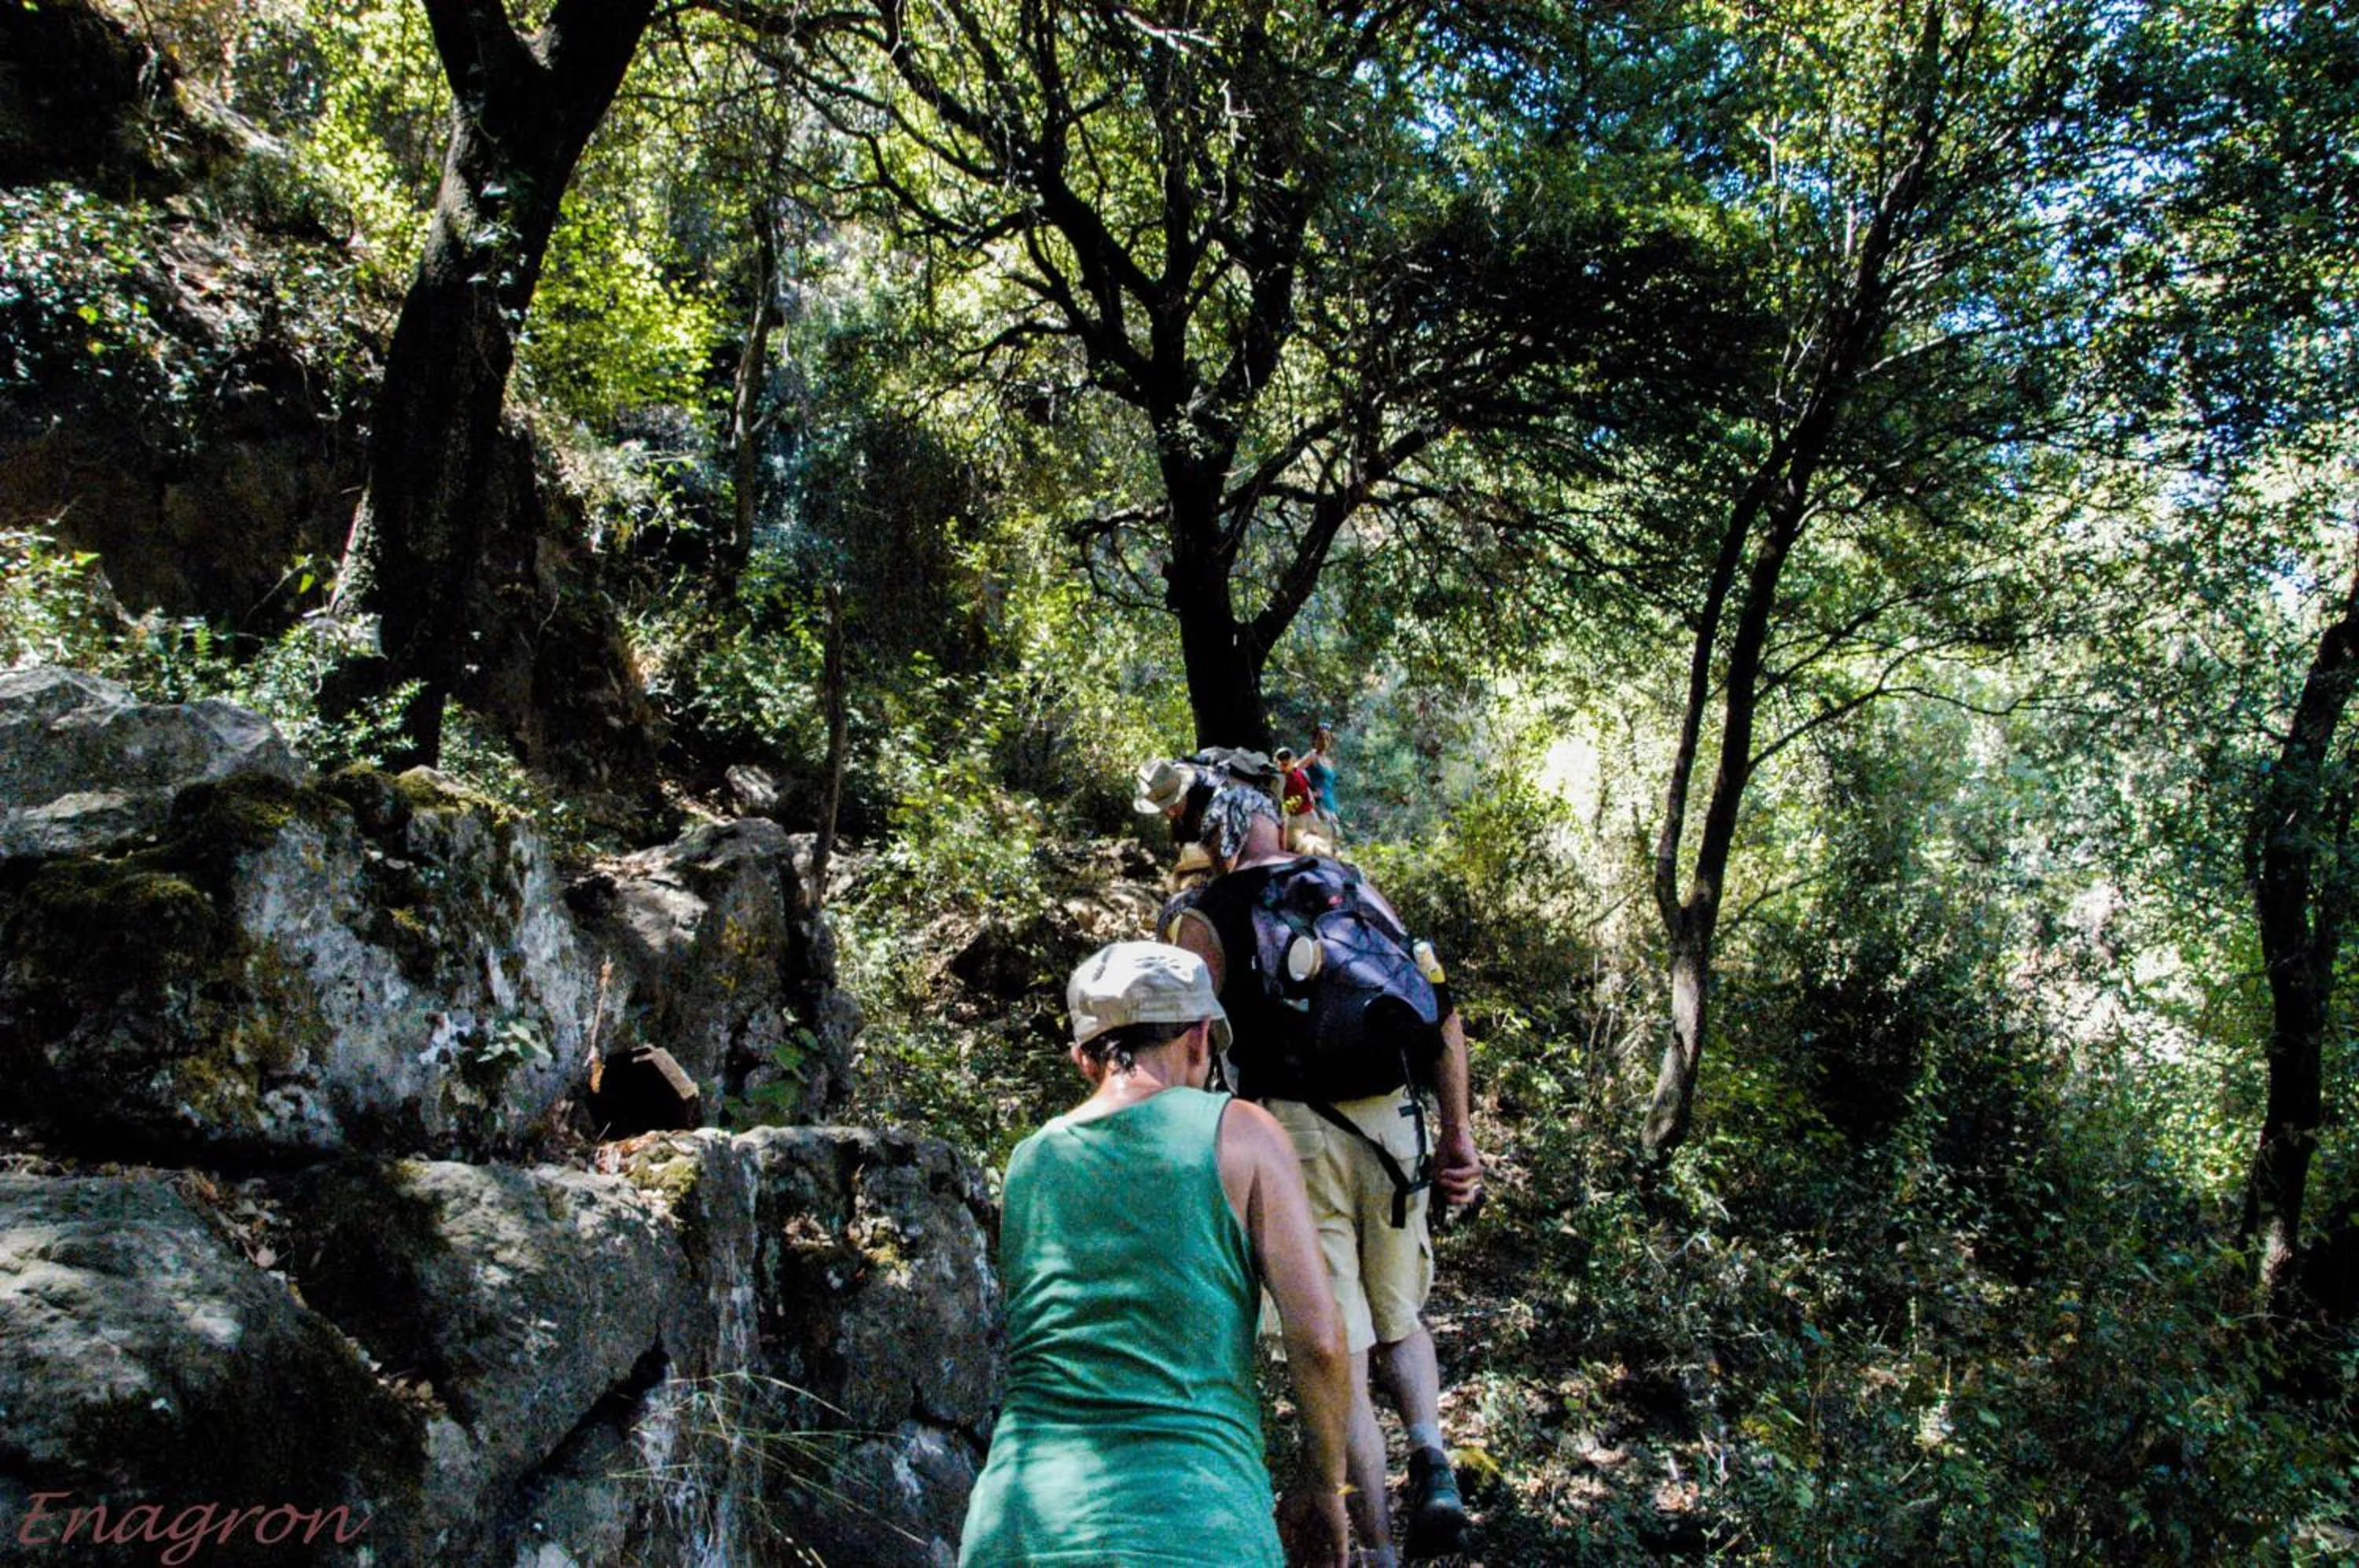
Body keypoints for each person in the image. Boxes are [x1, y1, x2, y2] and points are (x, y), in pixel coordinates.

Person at [958, 940, 1356, 1568]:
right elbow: (1321, 1342)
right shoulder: (1244, 1132)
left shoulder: (1030, 1161)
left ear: (1083, 1060)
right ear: (1199, 1038)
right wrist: (1325, 1485)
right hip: (1198, 1526)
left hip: (1021, 1527)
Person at [1168, 786, 1482, 1565]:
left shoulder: (1208, 915)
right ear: (1275, 821)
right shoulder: (1352, 884)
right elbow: (1440, 1009)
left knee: (1335, 1344)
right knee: (1401, 1318)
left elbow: (1190, 1051)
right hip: (1394, 1124)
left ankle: (1377, 1549)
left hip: (1295, 1138)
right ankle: (1433, 1456)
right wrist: (1459, 1134)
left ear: (1208, 837)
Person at [1304, 724, 1341, 835]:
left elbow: (1329, 785)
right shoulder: (1312, 756)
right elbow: (1294, 773)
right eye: (1321, 737)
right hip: (1318, 807)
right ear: (1315, 740)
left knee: (1334, 839)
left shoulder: (1329, 762)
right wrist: (1310, 793)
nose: (1324, 741)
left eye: (1327, 738)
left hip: (1331, 806)